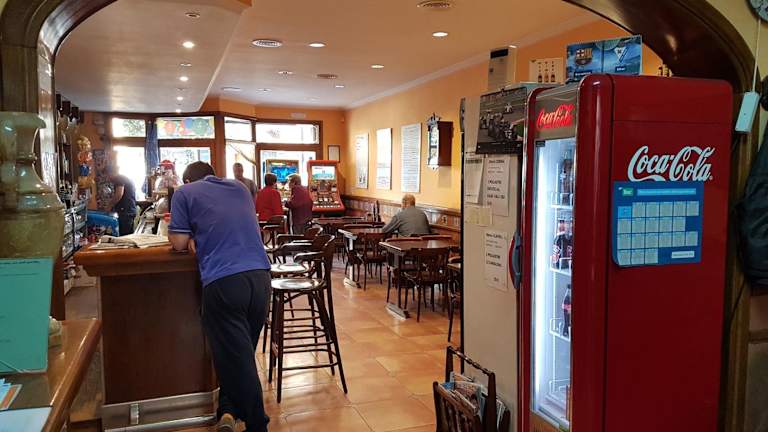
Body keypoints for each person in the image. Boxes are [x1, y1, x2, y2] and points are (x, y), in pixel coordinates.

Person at [167, 162, 271, 432]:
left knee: (237, 359)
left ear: (188, 180)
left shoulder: (184, 193)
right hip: (260, 279)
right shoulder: (239, 188)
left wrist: (192, 235)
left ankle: (258, 424)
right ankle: (227, 410)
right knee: (238, 355)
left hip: (224, 282)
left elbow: (178, 242)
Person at [107, 165, 136, 236]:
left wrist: (109, 206)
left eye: (108, 175)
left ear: (111, 173)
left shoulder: (119, 179)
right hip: (130, 210)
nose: (108, 178)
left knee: (124, 237)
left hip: (125, 212)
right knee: (128, 236)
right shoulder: (124, 178)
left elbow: (119, 194)